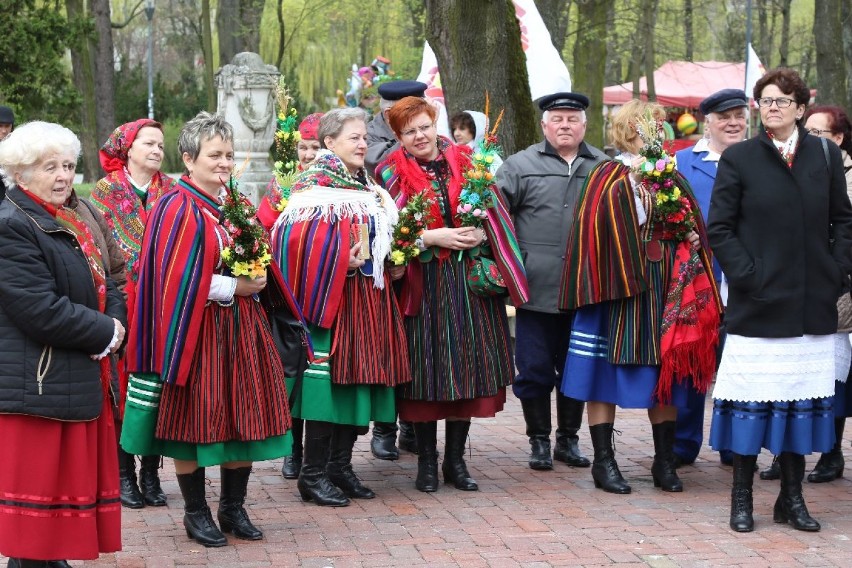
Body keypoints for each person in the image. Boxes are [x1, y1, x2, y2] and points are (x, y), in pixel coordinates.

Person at [120, 112, 299, 547]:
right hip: (196, 335)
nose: (223, 162)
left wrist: (259, 268)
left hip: (243, 330)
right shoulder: (175, 206)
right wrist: (234, 285)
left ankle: (233, 508)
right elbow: (172, 278)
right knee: (195, 421)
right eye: (214, 155)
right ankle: (196, 512)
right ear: (189, 158)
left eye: (228, 154)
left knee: (243, 416)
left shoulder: (231, 200)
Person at [708, 68, 852, 533]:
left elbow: (843, 221)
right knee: (752, 405)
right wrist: (749, 276)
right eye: (765, 101)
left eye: (781, 101)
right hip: (758, 304)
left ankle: (791, 499)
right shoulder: (741, 158)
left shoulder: (825, 156)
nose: (771, 108)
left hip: (811, 304)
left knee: (800, 409)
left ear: (800, 107)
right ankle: (742, 500)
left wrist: (836, 270)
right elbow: (720, 228)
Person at [559, 99, 721, 495]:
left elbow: (690, 224)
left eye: (657, 125)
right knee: (601, 375)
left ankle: (664, 462)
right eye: (644, 124)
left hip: (664, 285)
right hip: (615, 288)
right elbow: (593, 231)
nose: (653, 131)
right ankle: (604, 461)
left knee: (664, 371)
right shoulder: (607, 174)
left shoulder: (671, 172)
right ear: (627, 129)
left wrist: (692, 236)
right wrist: (637, 194)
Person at [377, 96, 529, 493]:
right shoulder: (389, 174)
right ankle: (426, 462)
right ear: (399, 137)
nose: (419, 136)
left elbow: (493, 212)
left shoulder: (468, 161)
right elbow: (386, 231)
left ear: (435, 123)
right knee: (426, 374)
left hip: (468, 286)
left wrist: (482, 233)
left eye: (424, 126)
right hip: (423, 284)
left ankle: (455, 462)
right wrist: (430, 236)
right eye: (409, 132)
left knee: (466, 370)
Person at [271, 107, 411, 506]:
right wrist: (337, 258)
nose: (363, 143)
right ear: (329, 143)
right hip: (331, 305)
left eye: (365, 137)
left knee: (357, 385)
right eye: (354, 137)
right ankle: (312, 476)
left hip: (368, 302)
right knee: (326, 391)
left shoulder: (368, 186)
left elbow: (382, 239)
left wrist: (393, 262)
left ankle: (340, 467)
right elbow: (288, 242)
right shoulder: (313, 185)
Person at [0, 121, 125, 567]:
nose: (63, 176)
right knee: (34, 516)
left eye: (69, 166)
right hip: (37, 385)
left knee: (52, 514)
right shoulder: (12, 224)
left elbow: (110, 280)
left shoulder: (68, 218)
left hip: (68, 378)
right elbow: (38, 308)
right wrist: (105, 332)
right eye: (49, 166)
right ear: (20, 172)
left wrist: (116, 322)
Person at [495, 92, 606, 471]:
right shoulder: (519, 165)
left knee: (576, 368)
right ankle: (539, 441)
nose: (564, 125)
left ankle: (568, 441)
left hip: (585, 290)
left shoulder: (603, 167)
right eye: (557, 119)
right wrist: (511, 266)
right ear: (544, 125)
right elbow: (493, 216)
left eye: (572, 119)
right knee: (534, 368)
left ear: (584, 125)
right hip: (535, 290)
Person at [89, 118, 177, 510]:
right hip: (124, 301)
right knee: (122, 390)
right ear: (128, 148)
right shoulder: (106, 193)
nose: (157, 150)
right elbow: (100, 251)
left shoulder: (171, 191)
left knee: (156, 386)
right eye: (148, 144)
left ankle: (151, 474)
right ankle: (124, 474)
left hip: (162, 304)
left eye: (161, 144)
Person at [673, 89, 749, 468]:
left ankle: (733, 443)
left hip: (745, 280)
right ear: (708, 121)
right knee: (692, 360)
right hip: (696, 279)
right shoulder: (682, 162)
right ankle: (683, 442)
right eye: (724, 117)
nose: (733, 122)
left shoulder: (760, 159)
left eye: (738, 115)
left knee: (735, 363)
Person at [364, 80, 429, 460]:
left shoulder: (422, 136)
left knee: (417, 348)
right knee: (389, 345)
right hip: (387, 260)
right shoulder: (374, 143)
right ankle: (385, 427)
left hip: (423, 258)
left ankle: (410, 427)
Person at [257, 112, 324, 232]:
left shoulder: (337, 180)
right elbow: (264, 224)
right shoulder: (284, 180)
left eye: (316, 148)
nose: (308, 155)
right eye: (302, 148)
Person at [0, 105, 15, 201]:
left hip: (11, 197)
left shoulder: (18, 146)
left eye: (7, 126)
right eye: (0, 126)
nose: (4, 130)